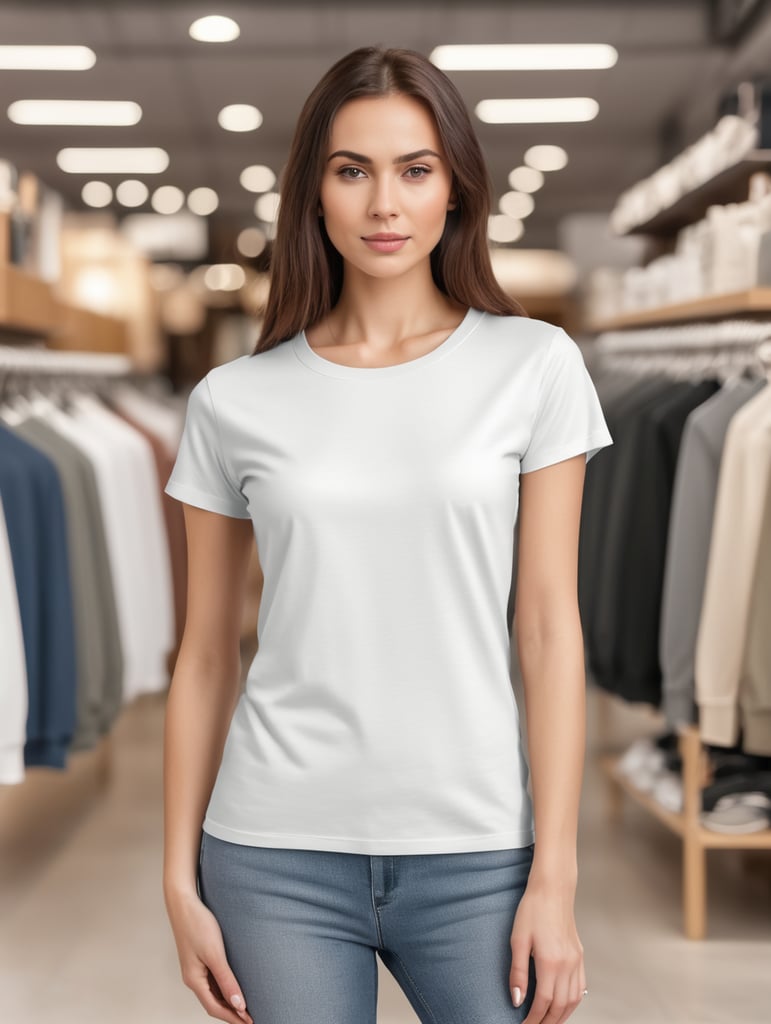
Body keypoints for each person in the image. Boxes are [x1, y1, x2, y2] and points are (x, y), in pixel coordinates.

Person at [162, 45, 612, 1024]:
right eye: (350, 170)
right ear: (312, 194)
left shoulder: (534, 366)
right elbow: (203, 655)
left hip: (479, 848)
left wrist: (557, 876)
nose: (383, 204)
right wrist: (176, 878)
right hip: (273, 851)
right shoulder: (234, 400)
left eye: (414, 169)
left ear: (456, 188)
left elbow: (547, 629)